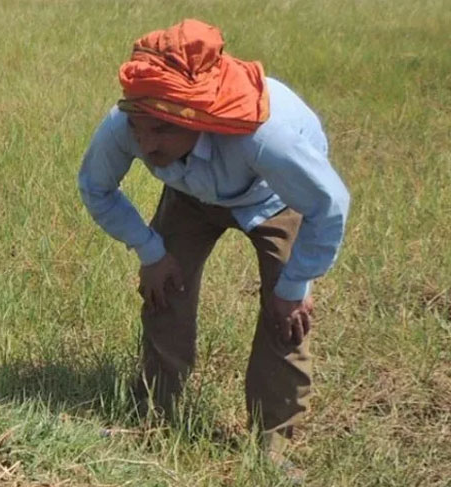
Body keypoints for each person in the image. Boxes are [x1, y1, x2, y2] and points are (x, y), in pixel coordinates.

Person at [77, 19, 350, 464]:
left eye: (162, 130)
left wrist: (296, 286)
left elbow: (329, 204)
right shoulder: (127, 123)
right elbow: (96, 186)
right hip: (189, 193)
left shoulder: (263, 137)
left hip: (272, 198)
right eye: (139, 127)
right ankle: (152, 417)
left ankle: (273, 445)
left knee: (286, 317)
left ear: (199, 116)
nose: (145, 144)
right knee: (162, 291)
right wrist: (150, 251)